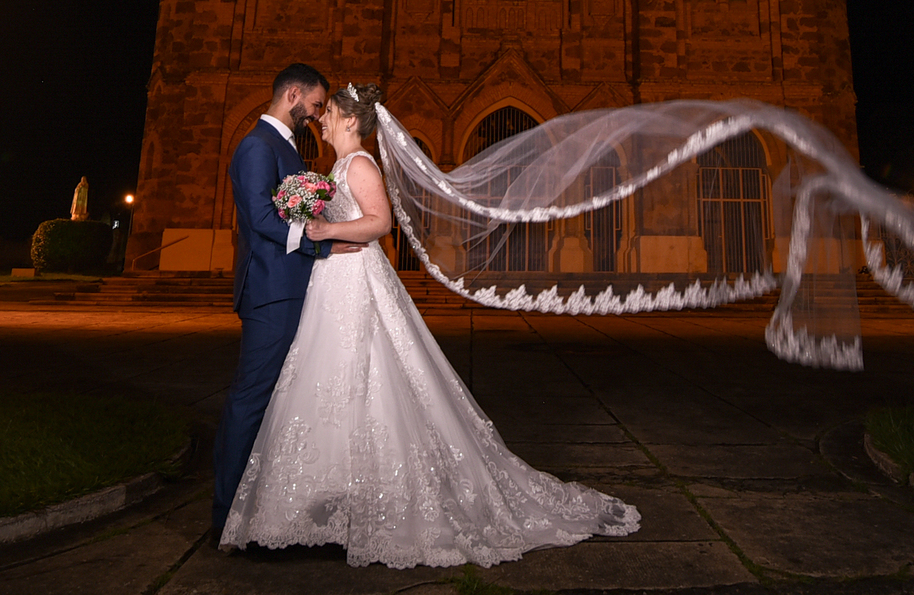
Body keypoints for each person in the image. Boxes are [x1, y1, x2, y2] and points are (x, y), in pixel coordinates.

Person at [219, 83, 640, 566]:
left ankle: (366, 498)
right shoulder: (338, 165)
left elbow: (379, 223)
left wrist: (325, 229)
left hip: (355, 278)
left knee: (364, 376)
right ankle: (328, 499)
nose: (323, 120)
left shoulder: (359, 164)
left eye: (330, 113)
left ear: (353, 121)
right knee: (329, 382)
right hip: (333, 282)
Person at [212, 63, 349, 544]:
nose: (315, 116)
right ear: (292, 94)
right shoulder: (256, 146)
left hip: (292, 289)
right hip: (271, 293)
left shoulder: (286, 147)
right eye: (314, 105)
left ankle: (260, 508)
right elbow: (261, 219)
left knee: (279, 401)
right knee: (252, 398)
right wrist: (326, 245)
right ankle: (226, 514)